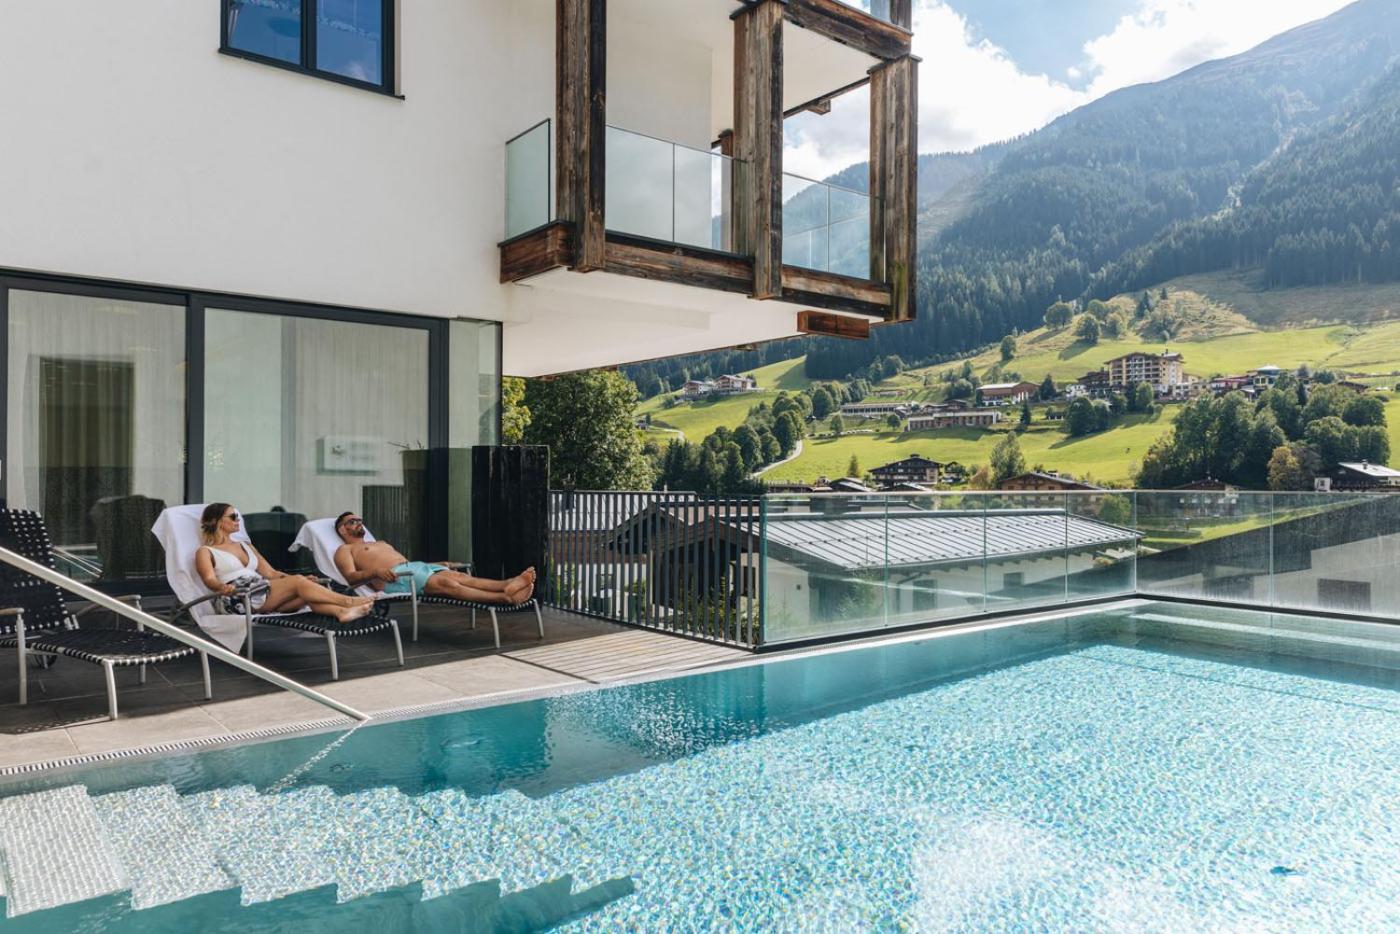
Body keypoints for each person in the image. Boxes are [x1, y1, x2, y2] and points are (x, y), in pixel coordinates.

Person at [195, 503, 376, 623]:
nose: (238, 520)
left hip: (260, 591)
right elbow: (209, 579)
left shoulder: (245, 545)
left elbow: (272, 574)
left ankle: (341, 613)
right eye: (233, 516)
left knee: (307, 592)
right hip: (236, 598)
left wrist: (302, 580)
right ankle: (348, 601)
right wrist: (221, 587)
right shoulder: (206, 551)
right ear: (218, 521)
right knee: (299, 583)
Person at [331, 512, 535, 605]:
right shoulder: (345, 550)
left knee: (460, 577)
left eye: (359, 519)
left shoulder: (380, 543)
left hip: (413, 568)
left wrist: (440, 564)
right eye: (352, 521)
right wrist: (376, 572)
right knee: (448, 584)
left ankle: (506, 585)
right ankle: (505, 598)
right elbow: (351, 578)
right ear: (342, 529)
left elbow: (407, 563)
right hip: (395, 579)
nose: (359, 522)